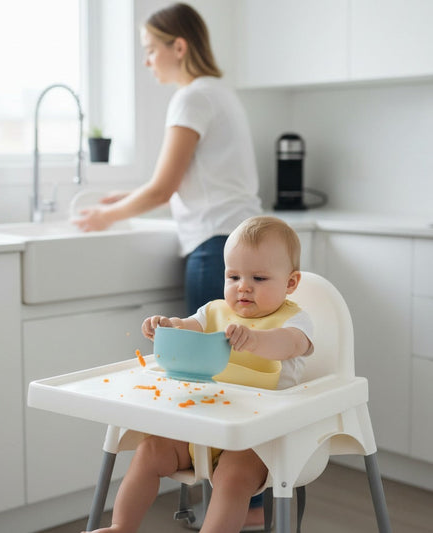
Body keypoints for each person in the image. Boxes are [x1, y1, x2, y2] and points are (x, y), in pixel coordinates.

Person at [85, 216, 314, 533]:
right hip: (202, 423)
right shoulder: (214, 312)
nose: (243, 286)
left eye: (259, 278)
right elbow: (186, 328)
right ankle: (121, 526)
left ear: (290, 283)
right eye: (233, 276)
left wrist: (256, 340)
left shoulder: (296, 321)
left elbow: (289, 345)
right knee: (150, 450)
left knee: (232, 477)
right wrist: (166, 327)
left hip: (258, 439)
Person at [74, 2, 262, 316]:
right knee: (240, 354)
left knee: (206, 357)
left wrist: (105, 217)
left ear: (178, 47)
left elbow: (163, 188)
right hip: (247, 241)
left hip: (214, 248)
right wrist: (130, 197)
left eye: (150, 50)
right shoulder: (221, 93)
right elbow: (200, 185)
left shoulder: (191, 98)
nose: (147, 62)